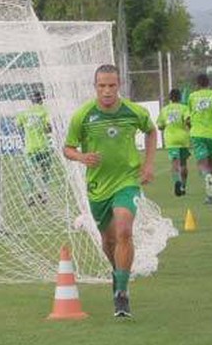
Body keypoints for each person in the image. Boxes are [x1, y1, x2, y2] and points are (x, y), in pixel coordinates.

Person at [63, 64, 156, 318]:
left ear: (119, 86)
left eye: (111, 85)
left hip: (127, 181)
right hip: (98, 189)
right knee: (109, 241)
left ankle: (122, 294)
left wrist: (148, 165)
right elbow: (67, 148)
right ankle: (119, 274)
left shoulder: (133, 111)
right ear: (95, 87)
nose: (107, 91)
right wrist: (82, 157)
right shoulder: (82, 115)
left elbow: (151, 131)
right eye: (102, 86)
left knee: (125, 230)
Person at [187, 74, 212, 204]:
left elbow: (189, 116)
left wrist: (190, 126)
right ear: (208, 83)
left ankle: (206, 175)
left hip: (198, 134)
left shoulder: (192, 96)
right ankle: (210, 196)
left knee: (202, 164)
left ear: (197, 84)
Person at [16, 91, 52, 205]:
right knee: (45, 171)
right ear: (41, 100)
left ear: (31, 100)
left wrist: (26, 134)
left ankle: (30, 196)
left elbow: (17, 125)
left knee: (29, 173)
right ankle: (43, 194)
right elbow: (49, 128)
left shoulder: (25, 112)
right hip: (43, 147)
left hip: (30, 148)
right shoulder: (45, 110)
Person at [157, 89, 191, 197]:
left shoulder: (165, 110)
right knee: (183, 164)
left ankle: (177, 181)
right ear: (180, 97)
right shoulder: (184, 108)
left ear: (170, 98)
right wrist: (189, 127)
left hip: (171, 140)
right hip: (183, 139)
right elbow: (188, 120)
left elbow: (160, 126)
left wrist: (165, 126)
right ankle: (183, 186)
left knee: (174, 163)